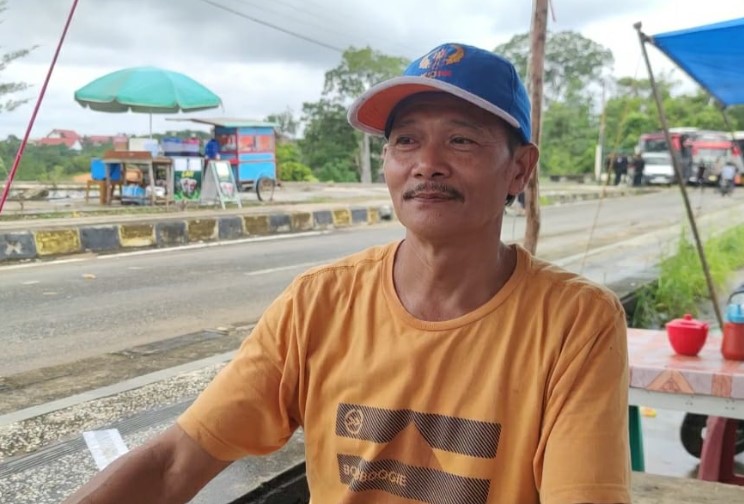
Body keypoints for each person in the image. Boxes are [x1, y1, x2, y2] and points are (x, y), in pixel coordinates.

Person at [64, 43, 630, 504]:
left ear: (520, 171)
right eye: (406, 140)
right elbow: (173, 465)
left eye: (461, 139)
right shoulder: (319, 302)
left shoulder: (575, 322)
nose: (426, 164)